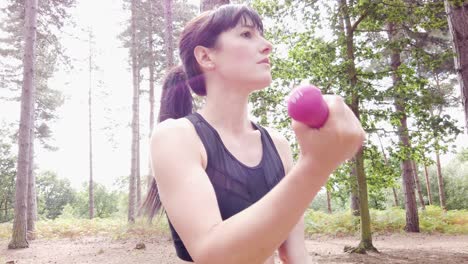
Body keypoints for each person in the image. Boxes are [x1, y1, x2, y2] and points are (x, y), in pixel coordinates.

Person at [141, 4, 365, 264]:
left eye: (261, 34)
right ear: (205, 57)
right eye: (246, 34)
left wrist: (315, 164)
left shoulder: (278, 145)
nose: (267, 45)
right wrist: (317, 164)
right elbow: (211, 253)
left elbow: (295, 255)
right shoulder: (176, 136)